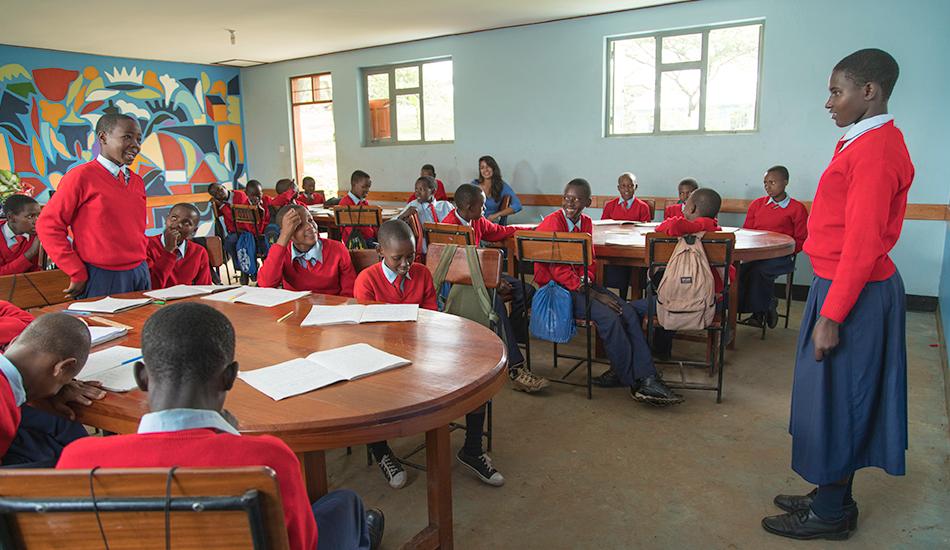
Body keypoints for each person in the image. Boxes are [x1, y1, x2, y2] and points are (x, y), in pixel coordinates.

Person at [56, 302, 385, 550]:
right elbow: (300, 544)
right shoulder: (267, 459)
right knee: (347, 503)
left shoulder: (78, 459)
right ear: (230, 377)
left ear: (142, 377)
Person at [761, 48, 913, 542]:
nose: (828, 102)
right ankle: (833, 494)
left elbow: (864, 242)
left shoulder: (875, 150)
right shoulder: (861, 141)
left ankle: (829, 513)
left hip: (856, 294)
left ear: (868, 91)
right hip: (841, 285)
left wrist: (832, 315)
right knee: (827, 399)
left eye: (836, 91)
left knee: (840, 401)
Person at [535, 179, 682, 406]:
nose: (570, 202)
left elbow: (590, 260)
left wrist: (590, 282)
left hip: (581, 287)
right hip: (558, 291)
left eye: (576, 199)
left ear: (588, 202)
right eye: (566, 197)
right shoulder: (553, 222)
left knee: (627, 311)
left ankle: (647, 376)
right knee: (610, 316)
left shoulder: (584, 222)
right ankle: (634, 381)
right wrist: (593, 293)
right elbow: (558, 270)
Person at [442, 184, 547, 393]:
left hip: (484, 277)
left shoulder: (477, 221)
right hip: (461, 285)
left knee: (526, 291)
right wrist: (493, 282)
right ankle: (516, 369)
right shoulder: (448, 227)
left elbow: (501, 232)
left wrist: (533, 229)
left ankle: (511, 342)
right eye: (481, 206)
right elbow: (453, 269)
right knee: (494, 301)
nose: (485, 210)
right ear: (468, 206)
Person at [36, 113, 149, 299]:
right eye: (127, 137)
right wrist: (75, 269)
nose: (135, 145)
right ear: (103, 137)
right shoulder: (80, 177)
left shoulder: (136, 181)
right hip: (100, 275)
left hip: (139, 271)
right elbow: (48, 225)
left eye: (138, 139)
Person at [634, 188, 735, 358]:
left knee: (636, 307)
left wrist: (680, 221)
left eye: (686, 204)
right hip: (712, 301)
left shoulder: (688, 228)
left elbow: (670, 225)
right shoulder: (718, 233)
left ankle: (645, 354)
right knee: (678, 290)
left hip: (686, 302)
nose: (683, 207)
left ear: (693, 209)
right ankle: (661, 349)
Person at [1, 313, 103, 467]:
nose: (56, 392)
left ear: (14, 342)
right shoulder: (4, 408)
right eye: (64, 383)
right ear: (62, 367)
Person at [739, 166, 809, 327]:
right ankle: (763, 305)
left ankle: (761, 312)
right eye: (765, 183)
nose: (767, 186)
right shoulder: (757, 205)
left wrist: (782, 251)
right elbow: (746, 232)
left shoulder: (796, 208)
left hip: (781, 257)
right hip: (756, 254)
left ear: (785, 182)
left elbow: (801, 239)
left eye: (772, 182)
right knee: (739, 271)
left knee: (759, 272)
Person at [258, 205, 356, 296]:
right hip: (296, 309)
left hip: (332, 309)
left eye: (311, 220)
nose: (310, 226)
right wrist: (283, 237)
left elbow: (349, 291)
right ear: (287, 233)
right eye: (299, 226)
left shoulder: (338, 250)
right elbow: (266, 284)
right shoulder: (281, 253)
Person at [601, 172, 652, 298]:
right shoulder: (610, 206)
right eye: (623, 186)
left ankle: (634, 296)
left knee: (637, 271)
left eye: (630, 186)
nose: (627, 189)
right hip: (614, 246)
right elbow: (602, 227)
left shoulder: (643, 207)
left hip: (634, 248)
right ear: (618, 188)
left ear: (636, 187)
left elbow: (646, 230)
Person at [146, 203, 212, 289]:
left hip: (186, 301)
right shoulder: (146, 245)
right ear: (166, 220)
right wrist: (168, 250)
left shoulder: (199, 252)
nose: (178, 225)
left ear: (194, 231)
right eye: (174, 218)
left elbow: (205, 288)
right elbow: (151, 287)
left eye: (187, 223)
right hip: (156, 301)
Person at [399, 176, 453, 256]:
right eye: (416, 189)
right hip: (425, 251)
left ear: (433, 191)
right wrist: (404, 215)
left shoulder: (446, 206)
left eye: (421, 189)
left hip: (447, 249)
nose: (417, 193)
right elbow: (395, 223)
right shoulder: (413, 205)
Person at [471, 156, 521, 224]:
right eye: (482, 168)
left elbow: (517, 205)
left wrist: (496, 215)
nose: (485, 170)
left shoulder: (502, 186)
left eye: (488, 166)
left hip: (492, 225)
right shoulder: (474, 185)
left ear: (494, 168)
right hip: (475, 223)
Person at [0, 194, 42, 275]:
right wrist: (31, 253)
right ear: (11, 217)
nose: (37, 221)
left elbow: (39, 272)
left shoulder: (37, 235)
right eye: (30, 216)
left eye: (38, 215)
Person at [337, 170, 378, 248]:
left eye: (368, 187)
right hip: (358, 242)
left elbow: (372, 225)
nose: (367, 190)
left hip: (370, 239)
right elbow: (351, 232)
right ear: (353, 184)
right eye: (364, 187)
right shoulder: (346, 204)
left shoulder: (363, 202)